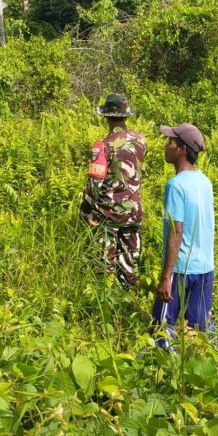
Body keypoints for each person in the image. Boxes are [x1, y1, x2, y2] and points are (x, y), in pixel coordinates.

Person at [152, 122, 215, 347]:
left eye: (170, 142)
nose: (166, 146)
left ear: (182, 149)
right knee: (201, 333)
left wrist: (165, 277)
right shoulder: (204, 182)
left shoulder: (176, 185)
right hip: (205, 268)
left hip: (180, 271)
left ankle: (162, 376)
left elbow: (176, 232)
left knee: (162, 331)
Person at [79, 93, 147, 289]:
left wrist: (85, 212)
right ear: (126, 116)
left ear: (106, 116)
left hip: (107, 215)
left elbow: (94, 183)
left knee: (104, 266)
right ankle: (129, 303)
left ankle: (106, 307)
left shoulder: (102, 146)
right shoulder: (141, 141)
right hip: (133, 212)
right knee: (129, 264)